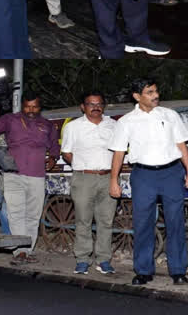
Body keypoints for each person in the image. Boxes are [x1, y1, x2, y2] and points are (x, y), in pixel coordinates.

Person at [109, 78, 188, 285]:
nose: (155, 95)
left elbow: (182, 145)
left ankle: (178, 270)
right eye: (149, 92)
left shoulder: (169, 115)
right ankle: (143, 270)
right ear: (137, 96)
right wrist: (114, 181)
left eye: (156, 91)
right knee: (143, 223)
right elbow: (119, 153)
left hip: (171, 173)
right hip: (143, 175)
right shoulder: (126, 122)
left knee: (175, 222)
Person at [0, 92, 60, 264]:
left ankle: (28, 249)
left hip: (37, 175)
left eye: (35, 107)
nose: (31, 110)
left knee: (33, 215)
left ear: (40, 107)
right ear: (22, 105)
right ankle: (20, 251)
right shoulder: (10, 119)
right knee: (15, 213)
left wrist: (53, 158)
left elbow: (54, 145)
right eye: (27, 106)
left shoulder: (47, 125)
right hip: (13, 174)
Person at [60, 92, 118, 275]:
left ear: (104, 106)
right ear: (82, 106)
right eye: (91, 104)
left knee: (106, 221)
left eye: (99, 103)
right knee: (83, 220)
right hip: (83, 178)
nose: (95, 107)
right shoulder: (73, 127)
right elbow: (66, 152)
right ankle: (83, 259)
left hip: (108, 177)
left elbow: (119, 151)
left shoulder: (114, 125)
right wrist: (82, 165)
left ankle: (103, 260)